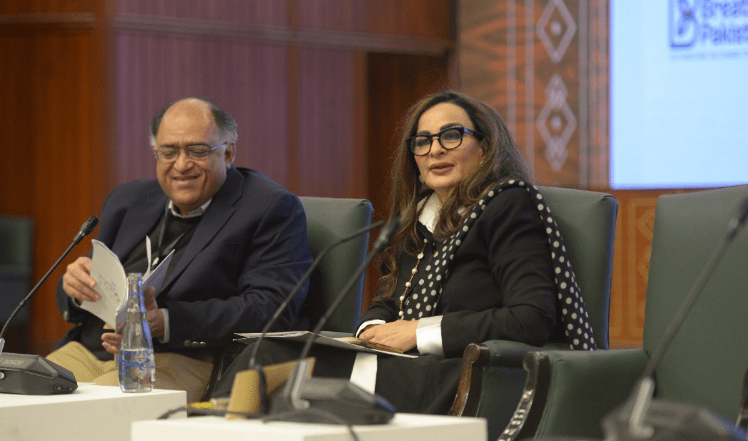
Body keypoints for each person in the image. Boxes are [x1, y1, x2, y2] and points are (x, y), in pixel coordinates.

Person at [212, 90, 594, 414]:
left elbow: (530, 318)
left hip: (466, 372)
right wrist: (372, 329)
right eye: (423, 142)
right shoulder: (418, 219)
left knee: (276, 372)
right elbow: (387, 301)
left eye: (451, 136)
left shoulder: (508, 205)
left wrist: (417, 331)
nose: (435, 151)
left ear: (486, 145)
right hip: (406, 366)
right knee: (263, 353)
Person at [47, 97, 313, 403]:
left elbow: (272, 307)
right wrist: (76, 288)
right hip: (89, 349)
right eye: (169, 152)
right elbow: (84, 286)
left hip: (179, 356)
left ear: (228, 153)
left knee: (92, 412)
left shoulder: (268, 207)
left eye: (198, 151)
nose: (182, 164)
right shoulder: (128, 200)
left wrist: (168, 323)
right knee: (18, 401)